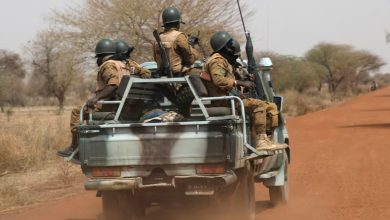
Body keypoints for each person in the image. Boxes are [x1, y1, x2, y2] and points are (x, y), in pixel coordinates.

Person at [203, 32, 286, 150]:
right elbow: (218, 80)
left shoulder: (224, 60)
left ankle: (268, 140)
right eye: (230, 44)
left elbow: (227, 80)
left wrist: (243, 80)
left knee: (272, 107)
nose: (232, 46)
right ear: (225, 46)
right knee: (259, 105)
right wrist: (240, 83)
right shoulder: (217, 60)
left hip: (230, 98)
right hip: (224, 101)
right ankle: (261, 141)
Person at [57, 38, 129, 157]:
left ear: (101, 56)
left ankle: (75, 147)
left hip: (111, 108)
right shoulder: (123, 64)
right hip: (120, 106)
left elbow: (113, 85)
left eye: (97, 57)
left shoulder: (108, 65)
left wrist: (96, 98)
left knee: (77, 111)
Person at [153, 6, 200, 76]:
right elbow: (190, 60)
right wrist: (192, 47)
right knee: (204, 75)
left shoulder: (158, 39)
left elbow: (156, 59)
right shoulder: (179, 36)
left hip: (162, 74)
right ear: (177, 23)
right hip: (179, 73)